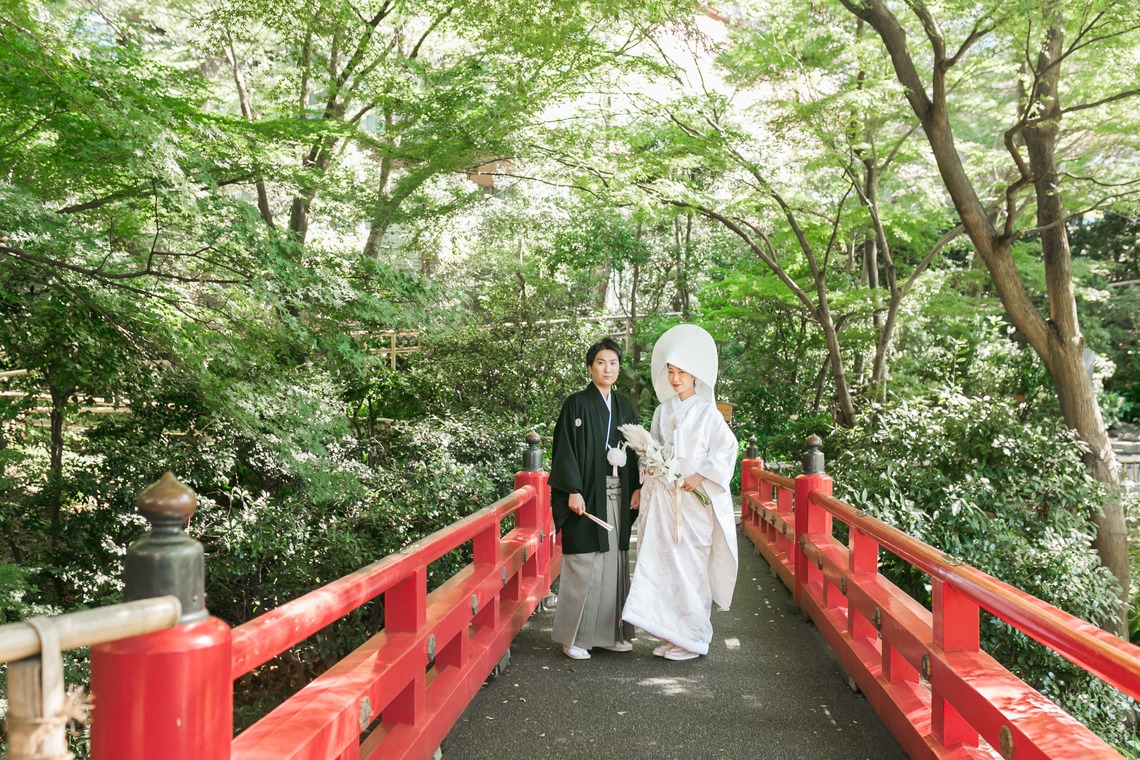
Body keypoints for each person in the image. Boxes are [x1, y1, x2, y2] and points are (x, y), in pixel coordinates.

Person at [621, 324, 739, 661]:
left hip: (692, 504)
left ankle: (695, 637)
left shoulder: (708, 412)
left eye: (682, 372)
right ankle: (673, 634)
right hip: (664, 500)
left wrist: (699, 476)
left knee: (692, 568)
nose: (675, 379)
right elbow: (652, 452)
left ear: (695, 375)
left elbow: (726, 450)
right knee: (666, 567)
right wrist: (647, 483)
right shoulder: (663, 410)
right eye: (671, 372)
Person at [549, 337, 642, 660]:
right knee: (583, 561)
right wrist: (572, 490)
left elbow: (638, 450)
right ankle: (572, 637)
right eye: (601, 362)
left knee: (615, 562)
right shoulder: (575, 404)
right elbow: (564, 451)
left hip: (617, 493)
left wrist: (638, 486)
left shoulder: (625, 406)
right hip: (587, 495)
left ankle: (610, 633)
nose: (608, 368)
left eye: (614, 363)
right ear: (590, 367)